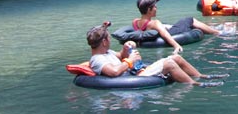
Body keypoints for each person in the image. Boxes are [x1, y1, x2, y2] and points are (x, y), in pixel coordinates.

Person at [85, 21, 221, 85]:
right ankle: (195, 84)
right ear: (103, 42)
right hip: (135, 77)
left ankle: (201, 76)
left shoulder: (107, 52)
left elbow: (120, 57)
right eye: (108, 38)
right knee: (169, 63)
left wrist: (125, 50)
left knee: (176, 57)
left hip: (137, 72)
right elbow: (114, 72)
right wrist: (130, 60)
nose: (109, 41)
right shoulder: (97, 59)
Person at [133, 0, 219, 53]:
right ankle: (216, 32)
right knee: (189, 19)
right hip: (173, 35)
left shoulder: (135, 22)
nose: (156, 8)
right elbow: (165, 35)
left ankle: (210, 28)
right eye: (154, 7)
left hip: (154, 38)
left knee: (177, 24)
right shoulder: (154, 23)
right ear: (149, 10)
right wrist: (176, 45)